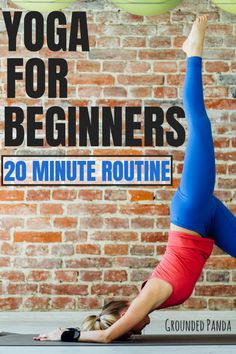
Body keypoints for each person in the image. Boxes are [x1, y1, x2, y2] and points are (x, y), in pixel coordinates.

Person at [34, 14, 236, 343]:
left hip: (192, 214)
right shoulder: (149, 299)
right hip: (205, 226)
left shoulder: (147, 298)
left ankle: (193, 52)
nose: (135, 329)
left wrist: (63, 334)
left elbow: (106, 337)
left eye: (129, 325)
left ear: (125, 313)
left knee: (200, 127)